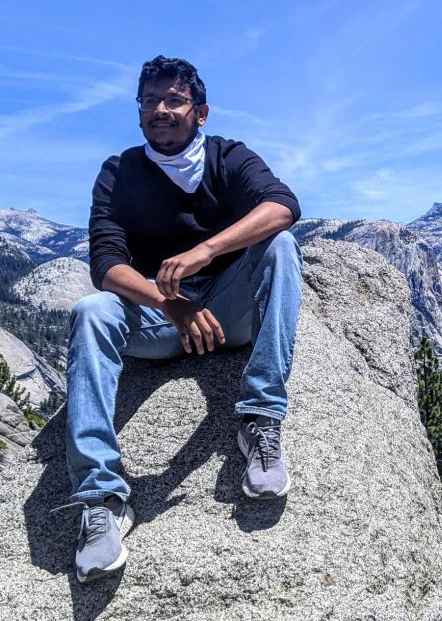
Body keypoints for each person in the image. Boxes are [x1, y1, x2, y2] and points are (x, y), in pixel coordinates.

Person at [56, 55, 303, 584]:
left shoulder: (228, 157)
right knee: (91, 310)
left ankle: (260, 418)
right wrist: (170, 302)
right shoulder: (119, 172)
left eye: (174, 100)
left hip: (227, 312)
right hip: (160, 321)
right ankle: (101, 499)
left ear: (202, 111)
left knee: (280, 246)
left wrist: (204, 253)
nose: (160, 110)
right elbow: (106, 264)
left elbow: (282, 207)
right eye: (149, 101)